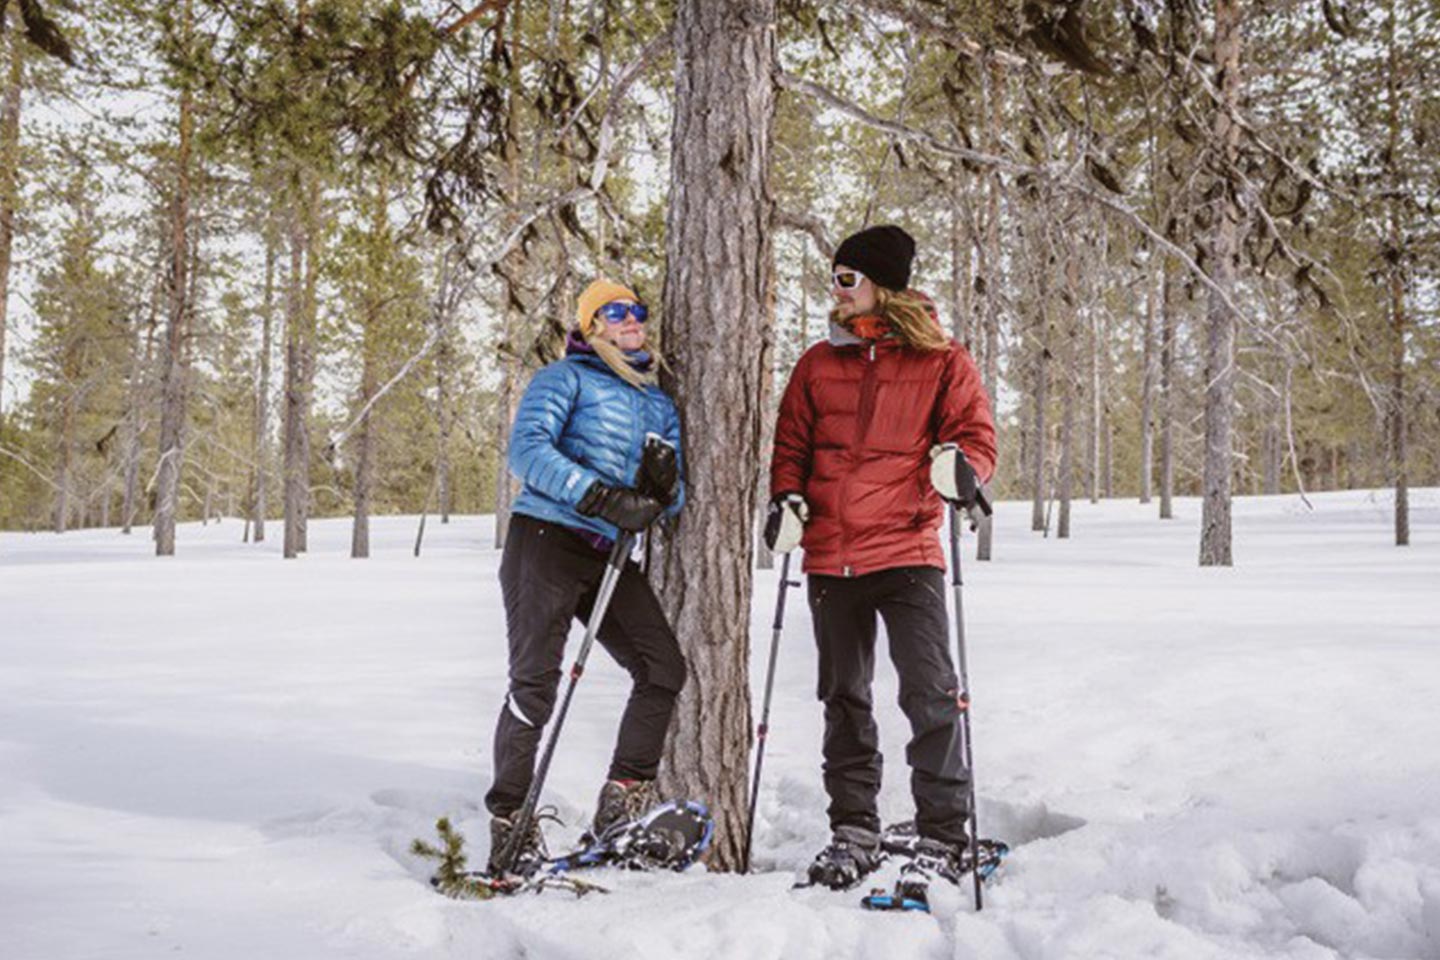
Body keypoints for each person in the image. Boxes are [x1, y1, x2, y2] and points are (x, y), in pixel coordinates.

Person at [765, 225, 997, 890]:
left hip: (907, 548)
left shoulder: (943, 360)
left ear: (881, 286)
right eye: (833, 279)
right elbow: (792, 447)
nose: (834, 290)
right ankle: (854, 830)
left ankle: (946, 834)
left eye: (846, 278)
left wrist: (963, 469)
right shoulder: (817, 362)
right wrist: (785, 501)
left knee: (930, 694)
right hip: (830, 555)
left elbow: (975, 436)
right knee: (844, 698)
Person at [485, 278, 686, 875]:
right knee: (534, 686)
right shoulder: (563, 378)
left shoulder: (659, 401)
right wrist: (599, 495)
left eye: (638, 312)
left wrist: (660, 492)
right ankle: (509, 824)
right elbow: (527, 452)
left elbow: (671, 500)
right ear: (592, 325)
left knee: (662, 668)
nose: (631, 321)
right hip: (545, 539)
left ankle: (621, 801)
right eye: (615, 313)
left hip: (609, 552)